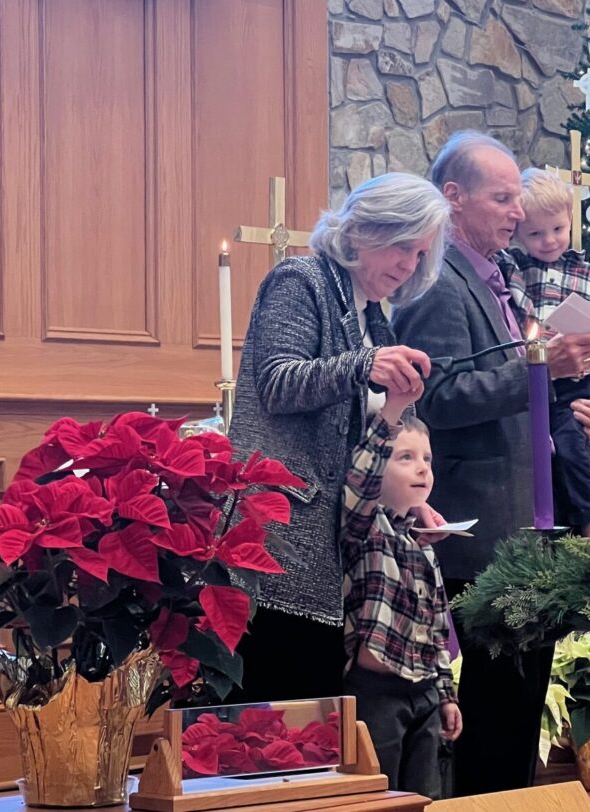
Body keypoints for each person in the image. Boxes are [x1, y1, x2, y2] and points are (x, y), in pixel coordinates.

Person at [391, 132, 590, 796]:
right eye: (503, 198)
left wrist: (570, 410)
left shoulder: (497, 279)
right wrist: (542, 370)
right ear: (453, 197)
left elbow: (511, 396)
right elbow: (436, 397)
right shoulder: (438, 281)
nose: (518, 213)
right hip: (477, 536)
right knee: (492, 730)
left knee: (516, 719)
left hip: (520, 529)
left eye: (519, 199)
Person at [227, 173, 450, 703]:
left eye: (420, 254)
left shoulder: (374, 316)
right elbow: (277, 382)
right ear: (363, 230)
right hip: (280, 536)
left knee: (318, 723)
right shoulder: (300, 280)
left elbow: (373, 436)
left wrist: (410, 500)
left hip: (338, 549)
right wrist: (364, 364)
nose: (409, 264)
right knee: (272, 712)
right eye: (402, 246)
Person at [341, 379, 462, 799]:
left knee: (425, 796)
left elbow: (437, 630)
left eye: (427, 458)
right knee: (378, 795)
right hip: (376, 693)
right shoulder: (365, 529)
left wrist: (446, 696)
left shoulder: (424, 546)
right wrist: (392, 412)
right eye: (405, 457)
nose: (422, 468)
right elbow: (359, 484)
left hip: (424, 691)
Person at [509, 168, 590, 538]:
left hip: (576, 383)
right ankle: (550, 527)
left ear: (570, 218)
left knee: (571, 446)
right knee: (541, 453)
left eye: (557, 228)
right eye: (535, 234)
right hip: (534, 379)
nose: (548, 241)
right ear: (518, 232)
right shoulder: (513, 269)